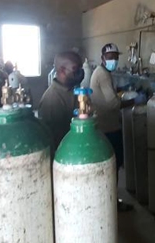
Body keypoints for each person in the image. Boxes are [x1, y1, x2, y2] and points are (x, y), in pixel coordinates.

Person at [90, 43, 136, 212]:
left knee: (110, 165)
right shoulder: (103, 75)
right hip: (108, 127)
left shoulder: (102, 72)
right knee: (113, 165)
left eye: (116, 57)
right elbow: (113, 104)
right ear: (103, 58)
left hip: (103, 124)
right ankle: (112, 203)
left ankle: (108, 200)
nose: (114, 60)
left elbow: (106, 94)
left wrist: (120, 89)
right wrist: (134, 101)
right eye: (110, 57)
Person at [38, 51, 84, 149]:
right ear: (62, 70)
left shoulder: (74, 90)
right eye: (75, 69)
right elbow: (54, 139)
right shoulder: (51, 100)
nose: (80, 72)